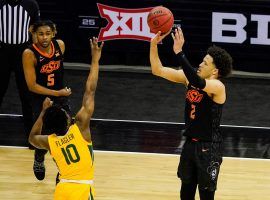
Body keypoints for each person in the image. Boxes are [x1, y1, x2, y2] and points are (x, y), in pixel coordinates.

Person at [150, 27, 233, 200]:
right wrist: (153, 45)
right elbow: (157, 70)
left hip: (209, 147)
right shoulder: (190, 78)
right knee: (185, 194)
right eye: (202, 61)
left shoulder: (217, 87)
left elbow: (198, 82)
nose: (200, 64)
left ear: (215, 71)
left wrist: (179, 52)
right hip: (189, 145)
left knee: (206, 195)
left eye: (205, 63)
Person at [28, 37, 103, 199]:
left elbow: (32, 138)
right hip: (82, 190)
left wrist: (43, 112)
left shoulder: (50, 141)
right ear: (68, 119)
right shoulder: (81, 128)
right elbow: (90, 90)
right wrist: (95, 60)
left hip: (62, 190)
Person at [22, 20, 71, 181]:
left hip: (59, 95)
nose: (44, 37)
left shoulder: (60, 45)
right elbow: (32, 85)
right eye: (40, 34)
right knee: (45, 134)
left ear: (54, 33)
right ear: (34, 34)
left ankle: (62, 170)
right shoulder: (29, 53)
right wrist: (57, 93)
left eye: (47, 33)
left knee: (67, 132)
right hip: (40, 98)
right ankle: (39, 157)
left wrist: (59, 94)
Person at [0, 0, 40, 144]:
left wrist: (37, 54)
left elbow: (35, 30)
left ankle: (31, 137)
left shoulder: (31, 4)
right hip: (2, 53)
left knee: (27, 95)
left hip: (23, 53)